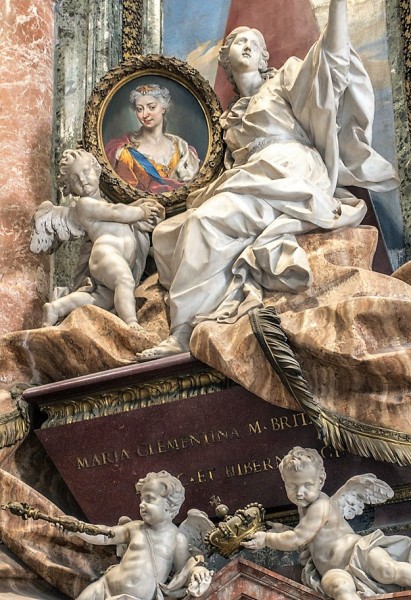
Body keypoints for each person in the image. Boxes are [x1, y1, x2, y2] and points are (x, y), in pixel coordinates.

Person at [137, 0, 399, 361]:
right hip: (251, 177)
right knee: (167, 235)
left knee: (204, 221)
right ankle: (201, 310)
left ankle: (184, 331)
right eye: (237, 43)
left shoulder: (285, 81)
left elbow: (330, 65)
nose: (245, 46)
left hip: (286, 167)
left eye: (252, 43)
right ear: (227, 64)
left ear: (263, 58)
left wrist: (338, 7)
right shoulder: (229, 121)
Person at [242, 447, 411, 599]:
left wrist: (266, 539)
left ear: (321, 481)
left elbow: (297, 538)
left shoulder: (320, 505)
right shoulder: (305, 507)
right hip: (331, 570)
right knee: (339, 588)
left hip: (359, 553)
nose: (300, 493)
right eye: (292, 486)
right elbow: (309, 536)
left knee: (387, 570)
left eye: (307, 485)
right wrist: (285, 529)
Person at [33, 149, 163, 330]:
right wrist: (141, 212)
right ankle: (131, 324)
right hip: (106, 253)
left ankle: (56, 308)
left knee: (101, 298)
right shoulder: (84, 205)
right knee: (124, 281)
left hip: (117, 256)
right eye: (75, 179)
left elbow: (117, 211)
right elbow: (116, 213)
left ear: (97, 170)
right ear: (68, 187)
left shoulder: (102, 203)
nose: (83, 180)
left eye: (86, 172)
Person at [71, 471, 212, 600]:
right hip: (103, 586)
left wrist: (196, 570)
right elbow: (104, 535)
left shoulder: (177, 539)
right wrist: (77, 528)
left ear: (170, 505)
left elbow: (184, 571)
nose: (142, 504)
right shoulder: (135, 527)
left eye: (149, 499)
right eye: (141, 499)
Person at [105, 84, 200, 192]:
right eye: (139, 109)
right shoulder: (124, 151)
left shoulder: (182, 148)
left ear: (163, 108)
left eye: (152, 107)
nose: (145, 114)